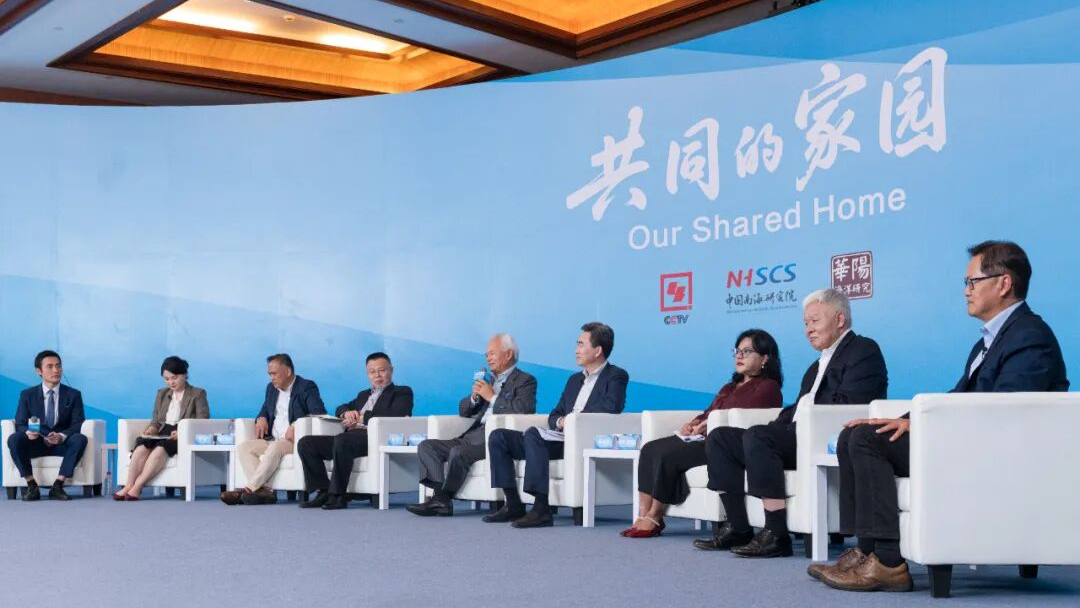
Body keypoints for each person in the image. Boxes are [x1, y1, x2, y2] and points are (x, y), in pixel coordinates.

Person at [814, 241, 1069, 593]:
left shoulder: (1030, 337)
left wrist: (922, 424)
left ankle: (887, 563)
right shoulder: (992, 339)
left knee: (866, 441)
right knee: (854, 435)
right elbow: (960, 395)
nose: (966, 291)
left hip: (996, 450)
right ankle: (867, 551)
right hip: (969, 437)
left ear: (1004, 283)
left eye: (972, 282)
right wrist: (905, 419)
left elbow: (1005, 410)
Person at [695, 288, 888, 556]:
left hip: (826, 436)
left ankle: (776, 534)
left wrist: (793, 418)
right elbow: (799, 407)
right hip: (797, 434)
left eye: (815, 321)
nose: (809, 329)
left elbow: (854, 401)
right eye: (805, 323)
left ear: (840, 319)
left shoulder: (863, 350)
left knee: (759, 436)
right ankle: (738, 527)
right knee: (721, 438)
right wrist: (780, 422)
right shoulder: (815, 367)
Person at [623, 329, 783, 538]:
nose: (739, 356)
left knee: (666, 455)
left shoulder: (768, 387)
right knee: (650, 448)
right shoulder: (730, 386)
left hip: (725, 445)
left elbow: (744, 415)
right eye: (737, 351)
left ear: (765, 358)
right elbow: (709, 411)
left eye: (747, 351)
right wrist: (694, 423)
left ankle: (655, 516)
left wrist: (710, 424)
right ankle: (642, 514)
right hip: (701, 437)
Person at [485, 322, 629, 528]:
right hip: (559, 437)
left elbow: (611, 406)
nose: (576, 350)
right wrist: (561, 421)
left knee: (533, 434)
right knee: (499, 436)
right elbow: (555, 414)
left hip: (582, 440)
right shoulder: (574, 380)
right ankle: (513, 504)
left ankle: (541, 509)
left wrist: (574, 420)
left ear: (598, 351)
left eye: (581, 344)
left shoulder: (616, 375)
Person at [407, 334, 537, 517]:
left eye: (492, 353)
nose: (488, 358)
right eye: (486, 355)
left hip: (494, 440)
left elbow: (523, 409)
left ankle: (442, 499)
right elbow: (463, 410)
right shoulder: (489, 380)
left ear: (508, 354)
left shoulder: (525, 380)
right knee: (427, 446)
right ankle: (440, 498)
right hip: (471, 436)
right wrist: (475, 397)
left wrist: (492, 397)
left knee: (458, 452)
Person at [297, 352, 413, 510]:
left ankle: (338, 495)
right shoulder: (363, 395)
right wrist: (346, 413)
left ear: (391, 370)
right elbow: (341, 407)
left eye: (382, 370)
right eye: (372, 372)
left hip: (375, 439)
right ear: (367, 374)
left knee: (342, 440)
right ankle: (323, 490)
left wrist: (361, 418)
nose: (377, 375)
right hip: (349, 439)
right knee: (307, 443)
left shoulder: (402, 392)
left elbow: (396, 414)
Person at [220, 353, 325, 505]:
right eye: (269, 374)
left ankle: (248, 490)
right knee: (244, 447)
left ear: (288, 371)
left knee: (275, 447)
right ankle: (264, 492)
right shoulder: (271, 389)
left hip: (293, 441)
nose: (272, 378)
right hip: (273, 439)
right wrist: (261, 418)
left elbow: (318, 413)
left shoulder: (306, 387)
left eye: (274, 374)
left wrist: (295, 425)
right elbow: (264, 409)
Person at [114, 356, 210, 500]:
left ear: (185, 375)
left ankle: (137, 487)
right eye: (166, 379)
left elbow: (203, 419)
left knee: (160, 449)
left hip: (182, 433)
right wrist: (152, 429)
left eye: (174, 378)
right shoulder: (162, 394)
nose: (171, 382)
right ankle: (128, 485)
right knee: (141, 447)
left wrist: (182, 432)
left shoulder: (198, 393)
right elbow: (156, 420)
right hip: (163, 431)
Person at [8, 350, 88, 501]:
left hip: (61, 444)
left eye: (58, 366)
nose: (56, 370)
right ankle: (31, 485)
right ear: (39, 371)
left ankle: (58, 485)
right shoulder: (27, 395)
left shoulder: (73, 394)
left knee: (80, 439)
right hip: (37, 442)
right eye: (50, 366)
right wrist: (28, 433)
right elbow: (20, 423)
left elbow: (78, 423)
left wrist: (61, 436)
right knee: (14, 438)